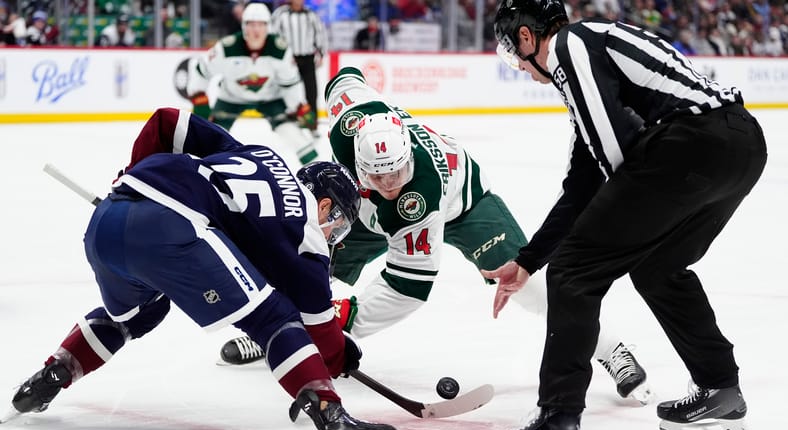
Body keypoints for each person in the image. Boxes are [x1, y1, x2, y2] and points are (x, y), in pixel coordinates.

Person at [218, 65, 653, 407]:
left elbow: (408, 287)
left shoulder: (417, 197)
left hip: (464, 206)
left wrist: (345, 319)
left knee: (524, 283)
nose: (392, 185)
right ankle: (285, 332)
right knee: (317, 256)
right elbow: (346, 81)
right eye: (380, 177)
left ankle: (612, 348)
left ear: (408, 156)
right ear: (358, 159)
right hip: (368, 211)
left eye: (398, 175)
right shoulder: (350, 125)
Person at [5, 107, 406, 430]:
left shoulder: (259, 155)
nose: (332, 235)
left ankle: (56, 371)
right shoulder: (308, 235)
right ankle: (333, 419)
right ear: (325, 206)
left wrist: (135, 176)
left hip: (107, 221)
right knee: (274, 320)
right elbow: (318, 331)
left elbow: (168, 122)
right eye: (337, 223)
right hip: (172, 226)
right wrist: (340, 354)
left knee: (140, 312)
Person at [486, 0, 767, 430]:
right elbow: (584, 179)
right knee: (659, 268)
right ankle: (720, 392)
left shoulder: (571, 46)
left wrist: (581, 246)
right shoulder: (593, 58)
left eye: (514, 53)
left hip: (691, 144)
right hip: (739, 144)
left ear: (528, 39)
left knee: (575, 270)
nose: (523, 69)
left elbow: (613, 155)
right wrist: (528, 261)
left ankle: (556, 422)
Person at [186, 2, 318, 165]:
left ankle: (316, 171)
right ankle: (199, 170)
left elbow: (290, 83)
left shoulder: (280, 50)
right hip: (231, 98)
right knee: (211, 138)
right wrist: (200, 98)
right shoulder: (226, 48)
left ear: (268, 27)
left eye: (261, 25)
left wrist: (299, 106)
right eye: (251, 25)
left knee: (294, 134)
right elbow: (200, 70)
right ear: (243, 26)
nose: (256, 30)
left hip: (270, 98)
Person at [270, 0, 328, 135]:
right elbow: (273, 35)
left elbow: (320, 34)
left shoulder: (311, 15)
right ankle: (283, 124)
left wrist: (321, 53)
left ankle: (313, 126)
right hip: (288, 60)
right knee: (286, 92)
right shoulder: (280, 14)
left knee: (311, 93)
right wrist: (278, 56)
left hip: (307, 58)